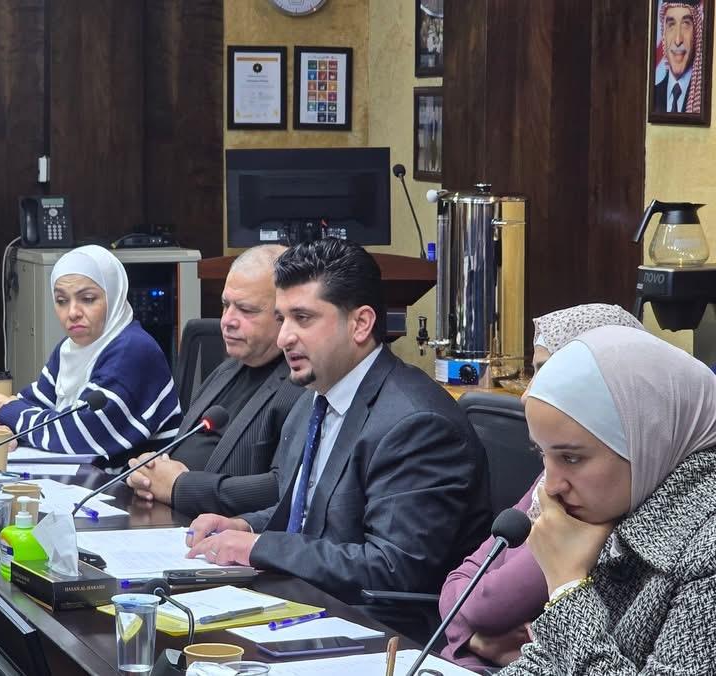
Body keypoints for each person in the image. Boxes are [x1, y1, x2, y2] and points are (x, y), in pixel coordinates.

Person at [183, 239, 491, 616]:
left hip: (381, 628)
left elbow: (392, 569)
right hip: (306, 603)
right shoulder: (313, 399)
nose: (284, 338)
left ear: (360, 324)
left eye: (303, 318)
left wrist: (259, 547)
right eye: (282, 319)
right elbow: (309, 518)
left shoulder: (417, 424)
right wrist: (243, 526)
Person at [439, 303, 646, 671]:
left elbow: (484, 606)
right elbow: (460, 582)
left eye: (549, 371)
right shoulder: (554, 474)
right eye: (533, 371)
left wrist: (467, 630)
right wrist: (471, 637)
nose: (527, 393)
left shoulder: (596, 492)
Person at [498, 326, 716, 675]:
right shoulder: (625, 503)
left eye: (571, 458)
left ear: (648, 440)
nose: (550, 486)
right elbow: (547, 663)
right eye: (542, 453)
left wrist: (567, 587)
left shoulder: (707, 550)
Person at [124, 245, 305, 517]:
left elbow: (283, 489)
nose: (227, 320)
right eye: (225, 305)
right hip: (170, 520)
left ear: (285, 315)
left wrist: (180, 487)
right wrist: (149, 472)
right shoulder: (226, 370)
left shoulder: (302, 385)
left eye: (246, 310)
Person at [0, 245, 181, 456]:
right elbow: (32, 403)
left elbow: (80, 435)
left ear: (114, 296)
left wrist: (11, 414)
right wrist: (8, 427)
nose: (72, 312)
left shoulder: (134, 351)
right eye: (62, 301)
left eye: (88, 299)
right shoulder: (70, 347)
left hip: (132, 476)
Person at [652, 0, 704, 114]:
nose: (678, 40)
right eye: (671, 25)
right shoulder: (652, 97)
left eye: (686, 24)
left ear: (696, 33)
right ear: (664, 34)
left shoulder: (706, 99)